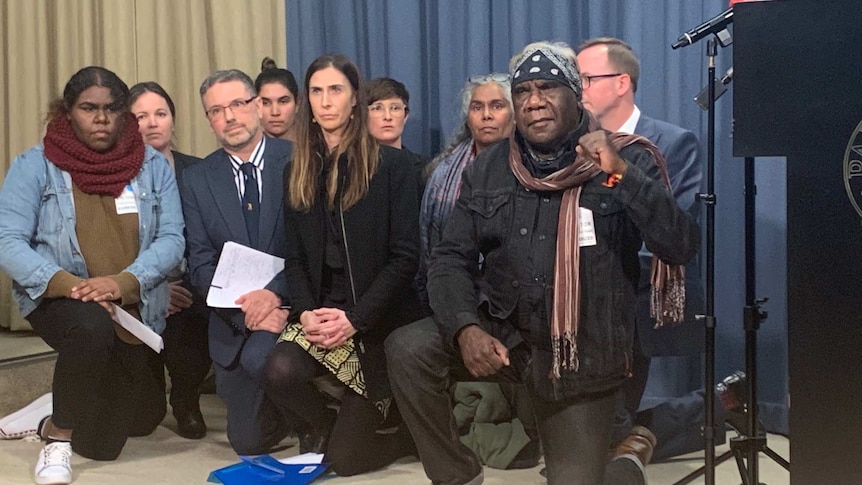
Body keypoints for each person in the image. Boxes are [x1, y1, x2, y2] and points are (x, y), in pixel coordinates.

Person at [386, 41, 699, 485]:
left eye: (548, 88)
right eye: (523, 92)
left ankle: (627, 458)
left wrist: (621, 175)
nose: (533, 101)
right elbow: (450, 257)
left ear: (576, 95)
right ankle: (457, 475)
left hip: (581, 354)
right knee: (408, 347)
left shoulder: (624, 158)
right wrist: (465, 327)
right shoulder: (492, 166)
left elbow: (680, 245)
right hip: (508, 335)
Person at [0, 66, 184, 484]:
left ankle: (49, 414)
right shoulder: (34, 166)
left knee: (121, 433)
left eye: (111, 108)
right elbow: (7, 240)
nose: (100, 118)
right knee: (90, 326)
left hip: (130, 304)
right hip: (60, 298)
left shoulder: (152, 166)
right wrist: (73, 286)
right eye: (88, 108)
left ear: (123, 113)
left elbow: (173, 239)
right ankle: (58, 441)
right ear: (68, 112)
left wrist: (121, 283)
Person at [263, 53, 420, 477]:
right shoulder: (296, 169)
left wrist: (355, 319)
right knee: (277, 368)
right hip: (321, 311)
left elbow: (406, 259)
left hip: (373, 320)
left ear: (355, 100)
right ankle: (324, 427)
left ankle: (403, 434)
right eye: (317, 91)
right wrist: (306, 311)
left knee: (346, 463)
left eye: (336, 90)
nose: (326, 101)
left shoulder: (396, 167)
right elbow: (294, 256)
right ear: (307, 102)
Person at [576, 37, 714, 461]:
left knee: (613, 425)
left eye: (586, 78)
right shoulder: (570, 144)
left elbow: (677, 226)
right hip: (580, 293)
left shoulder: (671, 143)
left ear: (621, 83)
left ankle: (701, 413)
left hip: (637, 295)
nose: (577, 88)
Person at [419, 73, 540, 471]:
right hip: (457, 299)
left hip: (521, 305)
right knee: (406, 346)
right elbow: (442, 256)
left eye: (497, 106)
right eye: (477, 107)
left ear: (516, 113)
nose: (486, 116)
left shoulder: (538, 165)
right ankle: (452, 465)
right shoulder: (441, 172)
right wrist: (462, 321)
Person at [180, 69, 293, 455]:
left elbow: (316, 250)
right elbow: (200, 263)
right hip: (235, 318)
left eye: (237, 105)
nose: (228, 117)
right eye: (215, 110)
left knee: (266, 359)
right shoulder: (197, 179)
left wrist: (274, 296)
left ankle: (316, 418)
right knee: (248, 442)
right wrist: (249, 306)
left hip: (294, 306)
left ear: (258, 106)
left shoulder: (298, 160)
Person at [129, 81, 212, 440]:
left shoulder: (200, 171)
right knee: (142, 419)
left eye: (160, 114)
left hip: (190, 288)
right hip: (138, 291)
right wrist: (155, 287)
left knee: (195, 314)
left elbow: (211, 239)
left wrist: (184, 285)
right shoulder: (115, 178)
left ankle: (186, 398)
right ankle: (147, 394)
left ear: (173, 121)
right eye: (140, 116)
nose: (152, 123)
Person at [364, 77, 430, 192]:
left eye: (395, 108)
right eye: (377, 108)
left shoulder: (426, 168)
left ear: (405, 116)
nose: (388, 117)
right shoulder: (354, 168)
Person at [255, 57, 299, 142]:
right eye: (266, 103)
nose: (275, 112)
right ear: (256, 106)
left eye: (283, 102)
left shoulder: (317, 150)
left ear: (297, 104)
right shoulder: (246, 152)